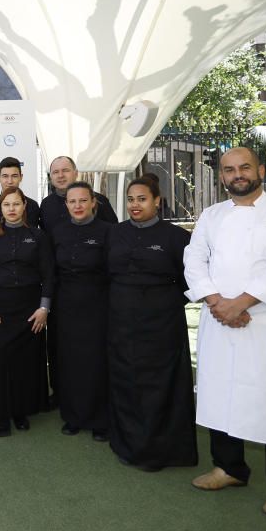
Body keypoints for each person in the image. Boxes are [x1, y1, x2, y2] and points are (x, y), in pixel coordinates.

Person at [184, 147, 266, 519]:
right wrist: (217, 301)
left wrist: (239, 304)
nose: (237, 174)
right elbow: (194, 260)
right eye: (229, 169)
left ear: (260, 169)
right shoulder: (211, 216)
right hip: (221, 323)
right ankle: (229, 468)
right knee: (220, 395)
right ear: (222, 176)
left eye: (244, 167)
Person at [106, 176, 197, 471]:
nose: (135, 204)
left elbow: (191, 280)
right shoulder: (114, 234)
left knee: (160, 384)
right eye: (131, 199)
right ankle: (128, 443)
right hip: (121, 323)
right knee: (126, 381)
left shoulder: (177, 237)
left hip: (162, 325)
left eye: (142, 199)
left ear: (157, 201)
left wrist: (164, 304)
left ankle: (163, 449)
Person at [0, 187, 53, 440]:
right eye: (7, 204)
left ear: (24, 207)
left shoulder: (38, 236)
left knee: (25, 363)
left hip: (30, 310)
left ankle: (20, 411)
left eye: (16, 204)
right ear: (1, 209)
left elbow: (49, 275)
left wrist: (44, 308)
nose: (11, 209)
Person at [50, 182, 110, 441]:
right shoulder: (57, 231)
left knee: (96, 362)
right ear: (66, 205)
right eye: (72, 201)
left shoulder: (109, 232)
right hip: (64, 307)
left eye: (83, 201)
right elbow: (50, 271)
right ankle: (72, 416)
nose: (77, 206)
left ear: (93, 202)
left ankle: (99, 419)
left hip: (98, 306)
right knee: (69, 362)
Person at [39, 156, 118, 231]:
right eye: (55, 172)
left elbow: (114, 232)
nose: (60, 175)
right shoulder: (46, 204)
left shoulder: (98, 200)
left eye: (65, 170)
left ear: (76, 173)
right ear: (51, 177)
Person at [0, 156, 41, 230]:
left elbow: (31, 237)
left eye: (14, 176)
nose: (10, 181)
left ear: (21, 177)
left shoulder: (32, 206)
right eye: (5, 176)